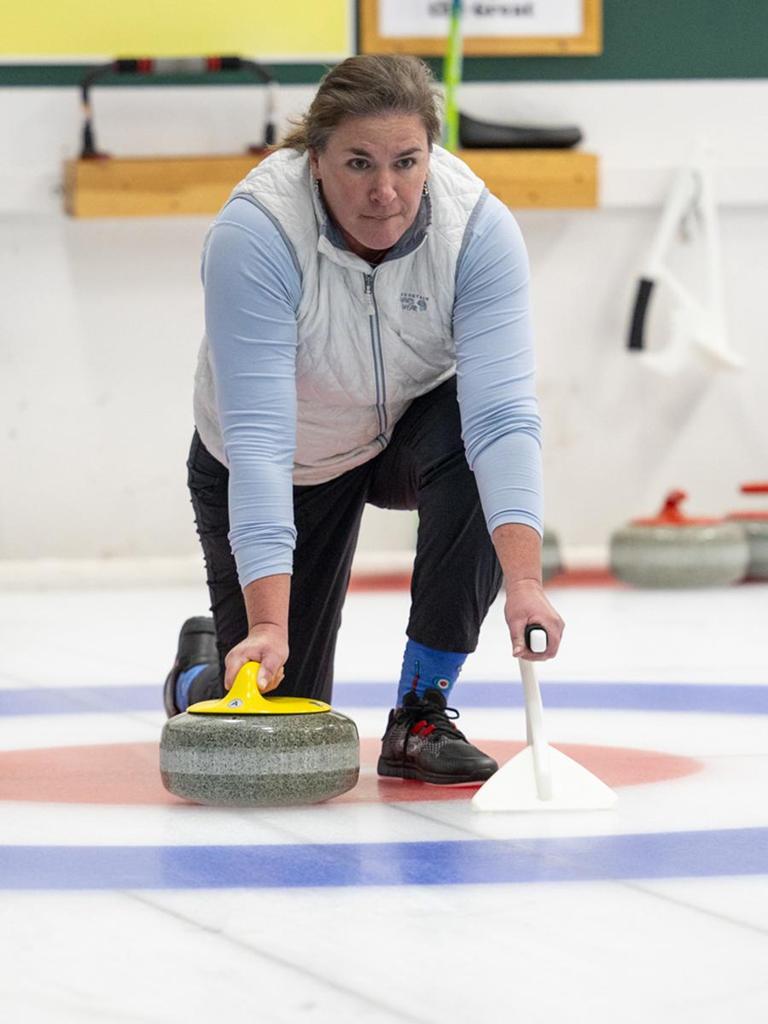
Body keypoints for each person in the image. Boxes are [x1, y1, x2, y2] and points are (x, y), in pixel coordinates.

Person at [164, 54, 564, 784]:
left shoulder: (476, 230)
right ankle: (198, 675)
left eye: (407, 162)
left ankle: (420, 713)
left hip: (400, 435)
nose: (385, 192)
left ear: (431, 155)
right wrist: (266, 626)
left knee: (471, 440)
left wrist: (526, 581)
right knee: (278, 711)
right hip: (283, 466)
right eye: (357, 163)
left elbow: (503, 416)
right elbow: (258, 443)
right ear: (314, 159)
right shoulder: (256, 234)